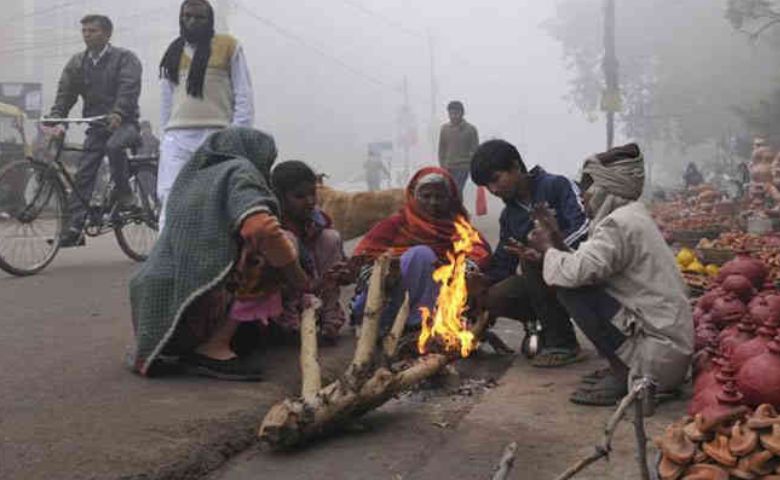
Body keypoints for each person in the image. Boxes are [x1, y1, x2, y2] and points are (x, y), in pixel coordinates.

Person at [509, 143, 693, 406]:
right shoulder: (630, 216)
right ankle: (623, 365)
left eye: (587, 188)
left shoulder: (619, 224)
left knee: (571, 289)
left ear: (606, 188)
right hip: (667, 353)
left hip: (656, 362)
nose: (582, 197)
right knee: (571, 278)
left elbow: (576, 274)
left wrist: (548, 247)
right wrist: (555, 240)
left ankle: (624, 372)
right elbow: (588, 264)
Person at [129, 128, 308, 380]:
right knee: (277, 244)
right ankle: (214, 347)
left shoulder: (194, 176)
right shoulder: (240, 171)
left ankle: (210, 341)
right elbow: (261, 228)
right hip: (196, 307)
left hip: (157, 322)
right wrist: (301, 281)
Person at [470, 139, 589, 367]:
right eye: (487, 186)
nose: (493, 190)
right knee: (493, 296)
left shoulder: (557, 185)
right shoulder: (509, 216)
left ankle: (563, 343)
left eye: (496, 179)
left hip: (583, 268)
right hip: (548, 283)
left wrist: (550, 250)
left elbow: (585, 226)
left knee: (532, 260)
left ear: (515, 167)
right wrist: (477, 277)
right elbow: (503, 264)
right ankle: (542, 325)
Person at [343, 167, 491, 334]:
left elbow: (479, 252)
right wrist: (386, 275)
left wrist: (461, 272)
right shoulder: (395, 224)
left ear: (450, 199)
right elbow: (362, 259)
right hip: (387, 303)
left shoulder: (459, 228)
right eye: (426, 196)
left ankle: (425, 325)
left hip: (438, 301)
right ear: (413, 196)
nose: (433, 202)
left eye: (439, 197)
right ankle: (409, 324)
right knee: (421, 255)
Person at [157, 0, 255, 229]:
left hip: (216, 136)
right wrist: (165, 139)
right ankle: (167, 258)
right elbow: (166, 101)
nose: (192, 21)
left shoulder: (229, 46)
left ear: (209, 19)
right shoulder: (172, 51)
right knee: (170, 197)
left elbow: (244, 95)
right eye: (187, 16)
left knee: (218, 199)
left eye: (199, 17)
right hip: (177, 137)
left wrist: (237, 135)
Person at [47, 14, 142, 247]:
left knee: (114, 145)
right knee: (84, 175)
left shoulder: (125, 58)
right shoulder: (77, 63)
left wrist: (119, 112)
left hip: (126, 124)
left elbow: (128, 88)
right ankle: (74, 228)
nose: (87, 35)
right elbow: (66, 92)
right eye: (84, 31)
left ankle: (124, 192)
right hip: (97, 127)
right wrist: (57, 114)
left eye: (93, 31)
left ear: (107, 34)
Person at [266, 160, 347, 342]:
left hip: (314, 289)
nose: (310, 202)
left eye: (313, 194)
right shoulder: (269, 222)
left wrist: (344, 272)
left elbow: (341, 270)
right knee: (286, 240)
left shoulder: (318, 220)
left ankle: (328, 317)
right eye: (300, 196)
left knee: (330, 238)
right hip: (283, 294)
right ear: (280, 196)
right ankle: (287, 321)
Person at [438, 101, 479, 196]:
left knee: (457, 189)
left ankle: (457, 209)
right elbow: (442, 149)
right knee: (448, 191)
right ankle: (453, 209)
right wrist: (442, 165)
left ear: (462, 113)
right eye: (451, 113)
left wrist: (471, 165)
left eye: (456, 113)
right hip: (448, 167)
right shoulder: (444, 129)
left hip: (463, 167)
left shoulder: (470, 129)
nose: (453, 116)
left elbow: (475, 150)